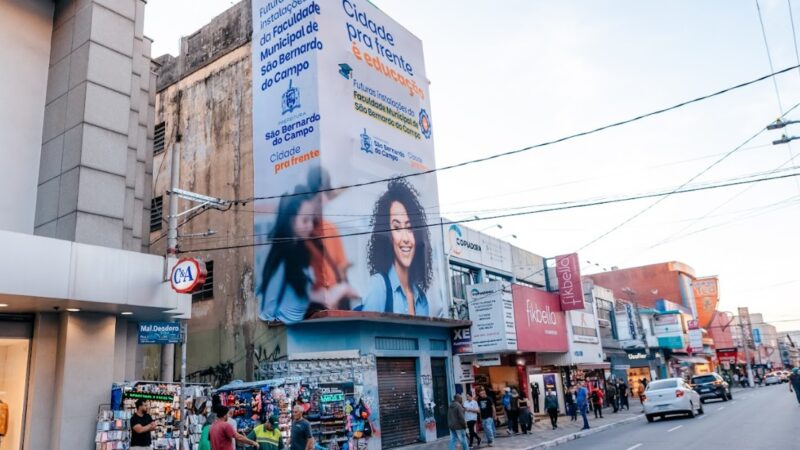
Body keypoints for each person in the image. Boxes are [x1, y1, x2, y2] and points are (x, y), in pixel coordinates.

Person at [362, 178, 434, 316]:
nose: (405, 239)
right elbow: (367, 335)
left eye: (410, 228)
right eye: (397, 228)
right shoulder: (379, 286)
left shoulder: (421, 299)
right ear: (387, 236)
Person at [304, 166, 359, 312]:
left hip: (336, 308)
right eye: (317, 197)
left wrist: (340, 290)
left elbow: (341, 270)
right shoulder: (302, 233)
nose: (322, 202)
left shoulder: (331, 229)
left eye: (325, 195)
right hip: (312, 311)